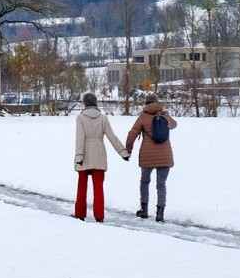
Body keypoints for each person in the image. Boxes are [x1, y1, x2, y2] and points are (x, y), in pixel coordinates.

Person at [73, 92, 127, 222]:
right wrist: (122, 152)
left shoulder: (80, 118)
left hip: (84, 154)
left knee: (82, 186)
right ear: (96, 102)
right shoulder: (103, 118)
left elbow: (80, 139)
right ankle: (99, 216)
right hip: (99, 154)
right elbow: (111, 137)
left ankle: (80, 214)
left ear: (84, 103)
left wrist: (79, 156)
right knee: (98, 187)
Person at [124, 92, 177, 222]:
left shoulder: (143, 116)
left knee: (145, 181)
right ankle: (160, 213)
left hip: (148, 155)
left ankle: (144, 210)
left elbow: (132, 134)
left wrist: (128, 150)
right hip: (165, 155)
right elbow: (174, 125)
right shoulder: (164, 114)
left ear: (146, 103)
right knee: (161, 184)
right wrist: (167, 115)